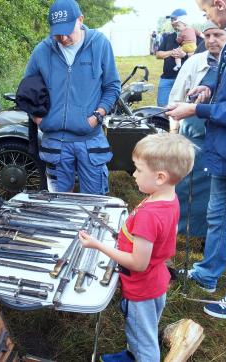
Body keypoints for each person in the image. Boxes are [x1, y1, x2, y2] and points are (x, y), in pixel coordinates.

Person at [79, 133, 195, 362]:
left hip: (141, 289)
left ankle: (140, 356)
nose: (134, 174)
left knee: (145, 342)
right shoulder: (168, 198)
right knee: (142, 332)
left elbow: (138, 263)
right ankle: (132, 355)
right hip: (156, 281)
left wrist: (97, 245)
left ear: (160, 177)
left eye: (139, 170)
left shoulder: (149, 215)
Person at [167, 0, 226, 319]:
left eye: (207, 12)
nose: (206, 20)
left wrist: (196, 109)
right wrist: (208, 88)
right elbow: (225, 84)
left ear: (219, 5)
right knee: (218, 217)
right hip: (222, 151)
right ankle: (207, 275)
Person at [24, 0, 120, 194]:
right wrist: (40, 118)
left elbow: (112, 87)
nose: (64, 37)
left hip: (90, 139)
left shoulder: (99, 44)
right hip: (55, 143)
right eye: (57, 32)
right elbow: (28, 91)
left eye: (68, 30)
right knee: (59, 204)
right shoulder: (42, 51)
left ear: (81, 20)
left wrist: (97, 117)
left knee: (94, 204)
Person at [168, 21, 226, 238]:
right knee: (187, 186)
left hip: (222, 140)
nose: (212, 40)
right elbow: (175, 98)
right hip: (193, 137)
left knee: (216, 190)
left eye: (218, 35)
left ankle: (211, 235)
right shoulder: (194, 62)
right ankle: (184, 231)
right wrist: (174, 133)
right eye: (208, 35)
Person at [156, 8, 189, 106]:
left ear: (182, 20)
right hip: (166, 79)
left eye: (174, 19)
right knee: (162, 108)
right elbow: (158, 54)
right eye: (171, 20)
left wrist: (184, 55)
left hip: (185, 80)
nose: (172, 22)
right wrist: (172, 52)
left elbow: (198, 57)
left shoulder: (194, 36)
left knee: (182, 108)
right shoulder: (168, 37)